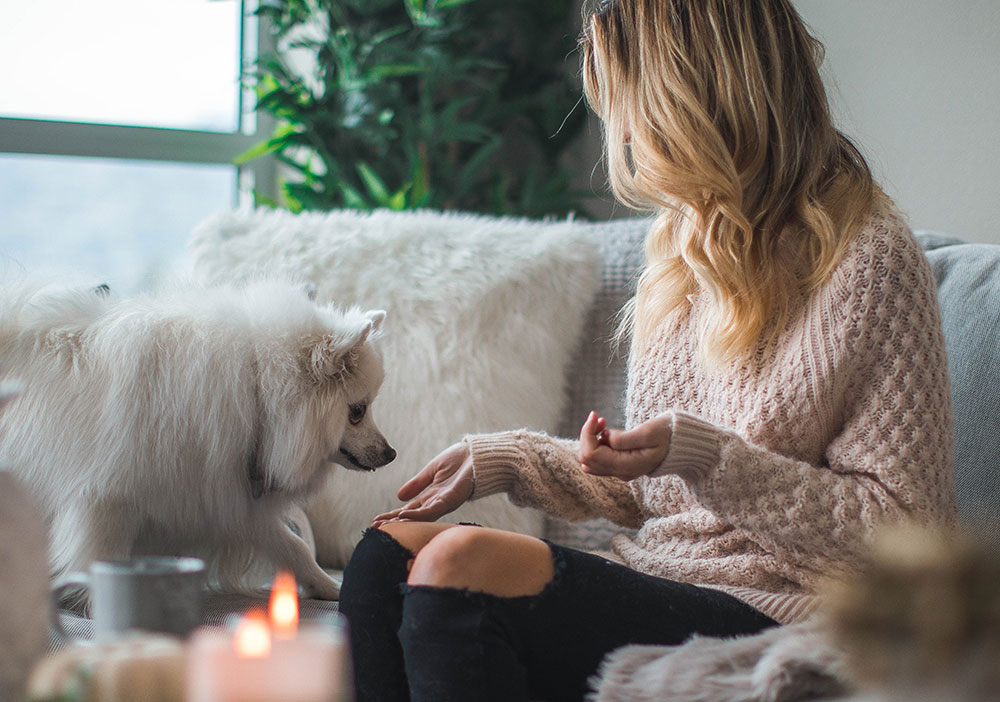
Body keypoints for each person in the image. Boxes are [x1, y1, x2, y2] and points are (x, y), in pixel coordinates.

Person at [338, 1, 957, 700]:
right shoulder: (679, 247)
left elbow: (908, 547)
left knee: (461, 562)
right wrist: (510, 460)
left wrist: (708, 457)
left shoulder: (869, 260)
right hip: (660, 579)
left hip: (785, 611)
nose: (623, 131)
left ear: (690, 96)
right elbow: (652, 489)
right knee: (384, 556)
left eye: (627, 103)